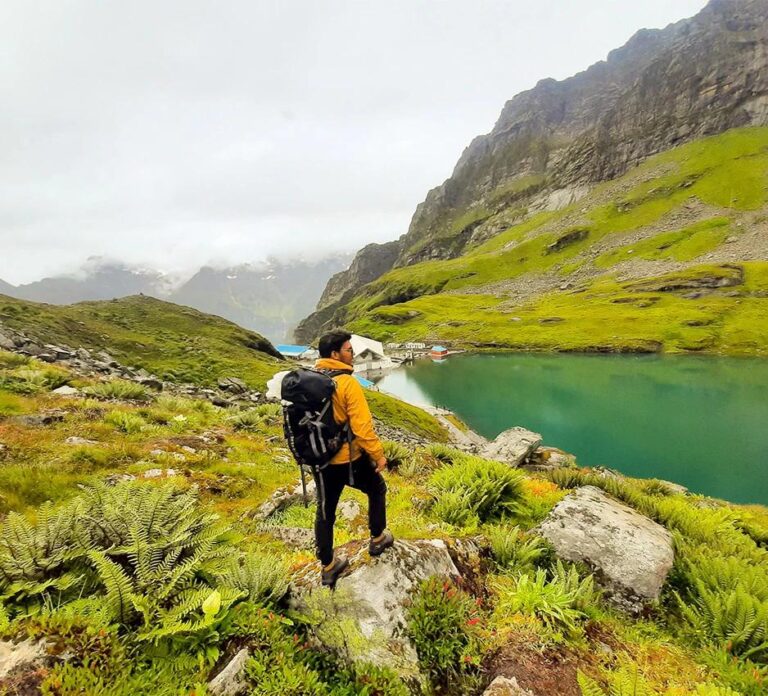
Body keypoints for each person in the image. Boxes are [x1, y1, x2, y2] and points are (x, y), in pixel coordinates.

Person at [313, 329, 394, 586]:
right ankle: (378, 538)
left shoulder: (311, 378)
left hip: (319, 459)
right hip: (348, 459)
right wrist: (379, 456)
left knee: (325, 511)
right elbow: (362, 428)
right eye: (349, 350)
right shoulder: (347, 383)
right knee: (377, 488)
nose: (353, 354)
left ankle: (327, 566)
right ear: (335, 354)